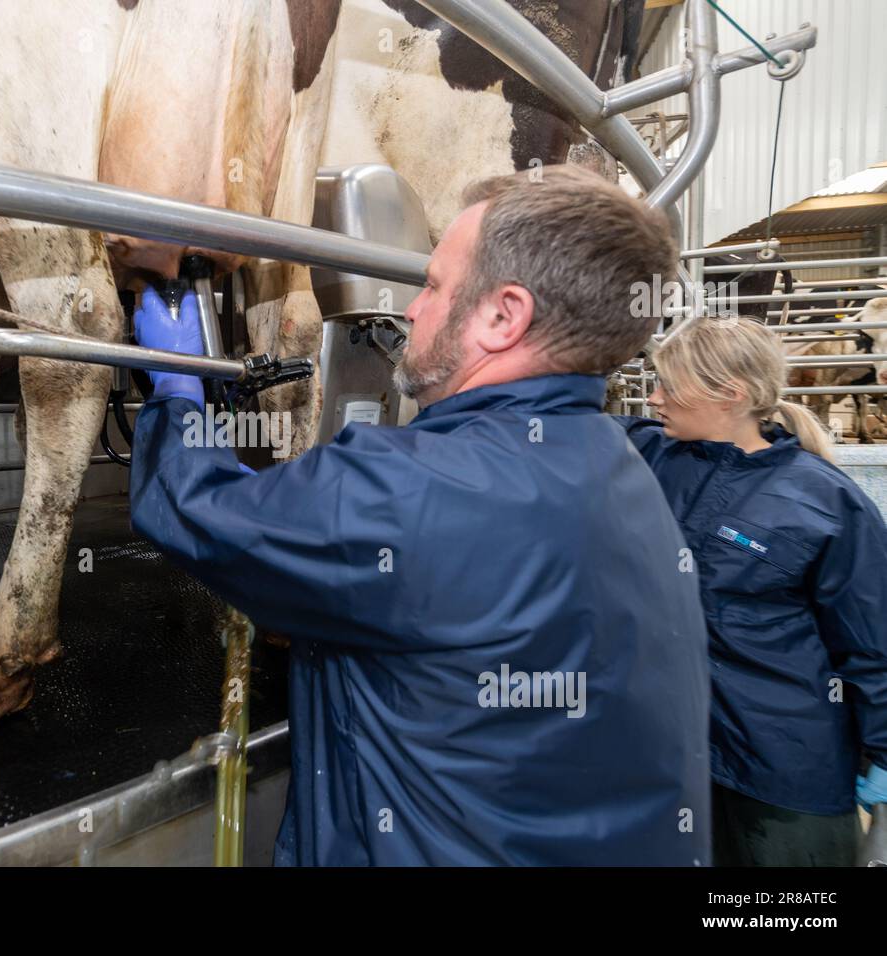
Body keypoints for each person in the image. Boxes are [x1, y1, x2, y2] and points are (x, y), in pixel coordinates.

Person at [129, 165, 711, 865]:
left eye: (432, 287)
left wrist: (174, 383)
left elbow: (191, 507)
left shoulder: (406, 488)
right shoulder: (629, 467)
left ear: (504, 316)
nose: (411, 310)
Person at [617, 316, 887, 866]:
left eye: (669, 384)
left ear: (729, 395)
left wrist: (884, 752)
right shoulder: (651, 457)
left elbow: (873, 641)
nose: (654, 396)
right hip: (675, 760)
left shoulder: (822, 502)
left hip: (782, 772)